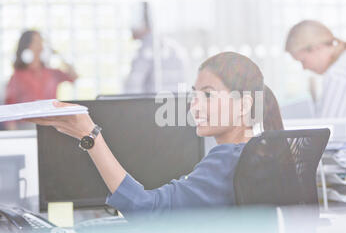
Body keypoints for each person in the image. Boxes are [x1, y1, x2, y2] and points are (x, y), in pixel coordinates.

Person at [27, 52, 283, 215]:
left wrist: (91, 136)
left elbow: (145, 210)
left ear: (245, 104)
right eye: (194, 94)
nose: (194, 105)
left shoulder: (226, 161)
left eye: (207, 94)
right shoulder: (262, 152)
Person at [124, 2, 190, 94]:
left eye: (133, 20)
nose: (130, 27)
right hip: (175, 106)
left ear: (142, 22)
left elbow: (131, 90)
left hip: (152, 106)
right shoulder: (175, 48)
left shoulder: (145, 52)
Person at [5, 30, 78, 105]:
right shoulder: (18, 76)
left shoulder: (52, 73)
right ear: (26, 47)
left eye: (41, 42)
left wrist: (59, 55)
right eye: (35, 42)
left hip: (50, 115)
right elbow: (10, 103)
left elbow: (74, 77)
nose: (40, 46)